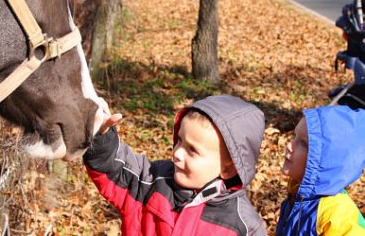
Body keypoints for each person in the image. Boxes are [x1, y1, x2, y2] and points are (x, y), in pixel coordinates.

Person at [85, 95, 267, 235]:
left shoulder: (244, 227)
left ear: (227, 169)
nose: (177, 153)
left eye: (192, 150)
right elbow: (113, 168)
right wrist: (101, 136)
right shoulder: (150, 181)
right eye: (179, 140)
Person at [276, 106, 365, 235]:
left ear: (328, 160)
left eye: (303, 143)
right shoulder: (297, 193)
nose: (289, 146)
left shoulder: (336, 213)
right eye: (294, 136)